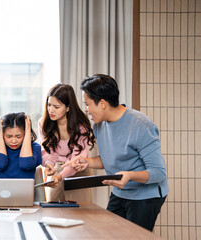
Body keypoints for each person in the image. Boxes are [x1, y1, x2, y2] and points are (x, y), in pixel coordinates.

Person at [64, 74, 169, 231]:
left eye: (87, 104)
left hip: (146, 196)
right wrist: (88, 161)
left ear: (103, 103)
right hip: (121, 191)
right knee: (109, 234)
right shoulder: (99, 125)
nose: (86, 109)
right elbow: (110, 158)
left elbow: (158, 172)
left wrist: (130, 175)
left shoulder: (141, 125)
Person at [38, 83, 96, 202]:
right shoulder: (44, 124)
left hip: (79, 171)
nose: (51, 110)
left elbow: (77, 160)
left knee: (80, 213)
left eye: (56, 107)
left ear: (68, 107)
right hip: (58, 169)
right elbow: (47, 152)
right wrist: (49, 164)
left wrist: (59, 176)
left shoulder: (81, 127)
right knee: (54, 210)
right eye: (49, 105)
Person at [0, 112, 42, 178]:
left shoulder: (34, 147)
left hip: (24, 188)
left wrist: (28, 130)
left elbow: (26, 164)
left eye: (18, 136)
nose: (14, 141)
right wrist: (0, 132)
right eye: (9, 136)